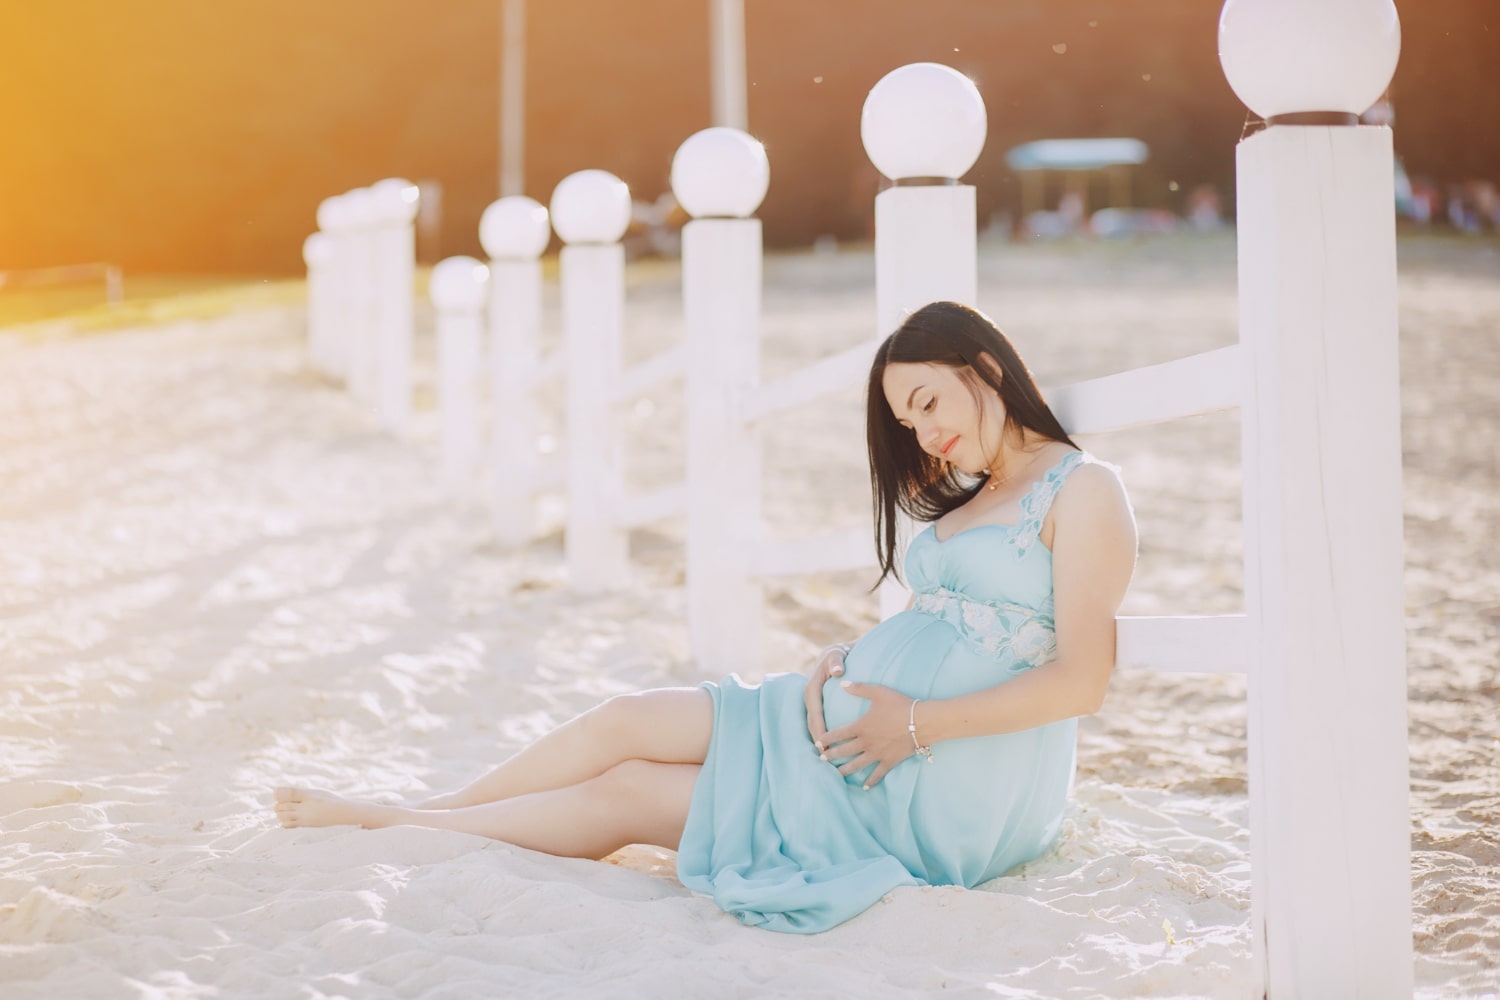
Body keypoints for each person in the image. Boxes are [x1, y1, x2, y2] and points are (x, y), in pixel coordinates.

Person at [273, 301, 1138, 933]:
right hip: (858, 731)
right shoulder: (982, 495)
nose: (922, 436)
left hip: (936, 781)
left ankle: (416, 828)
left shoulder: (1083, 490)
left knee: (631, 792)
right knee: (626, 720)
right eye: (906, 419)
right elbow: (939, 621)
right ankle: (436, 809)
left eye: (928, 404)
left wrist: (911, 722)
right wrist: (851, 658)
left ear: (985, 370)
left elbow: (1082, 681)